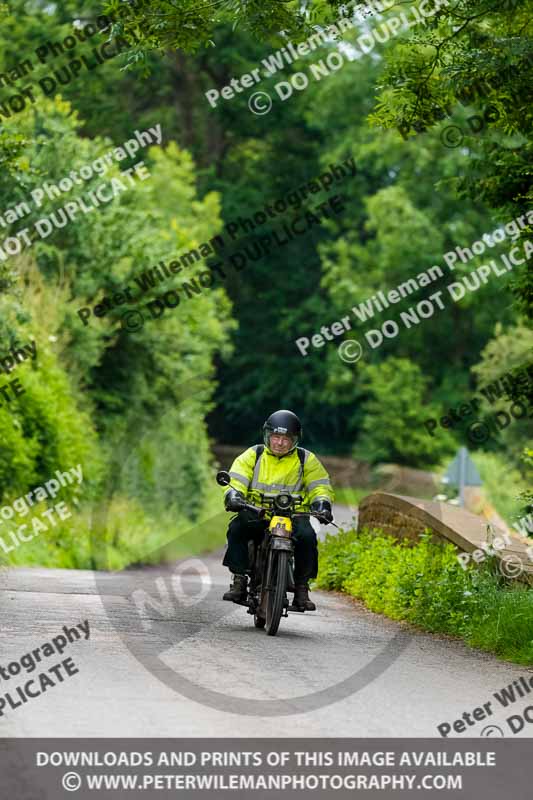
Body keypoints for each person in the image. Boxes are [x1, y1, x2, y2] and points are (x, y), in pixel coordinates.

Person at [221, 409, 334, 612]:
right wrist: (234, 495)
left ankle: (301, 588)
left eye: (285, 438)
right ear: (267, 436)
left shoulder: (305, 459)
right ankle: (239, 579)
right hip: (257, 511)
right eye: (275, 437)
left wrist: (322, 503)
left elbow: (320, 485)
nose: (280, 443)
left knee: (308, 537)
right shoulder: (253, 455)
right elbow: (237, 479)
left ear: (295, 440)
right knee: (237, 528)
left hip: (294, 515)